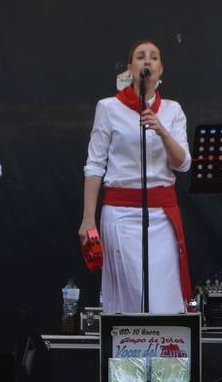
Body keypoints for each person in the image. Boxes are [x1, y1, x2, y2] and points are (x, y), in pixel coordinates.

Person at [78, 39, 191, 314]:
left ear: (161, 69)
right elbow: (94, 165)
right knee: (134, 293)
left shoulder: (173, 110)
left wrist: (162, 130)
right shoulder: (108, 108)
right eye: (141, 57)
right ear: (131, 68)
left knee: (163, 296)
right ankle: (130, 355)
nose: (147, 61)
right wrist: (88, 218)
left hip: (161, 215)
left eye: (154, 57)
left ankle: (166, 356)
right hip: (120, 213)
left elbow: (183, 164)